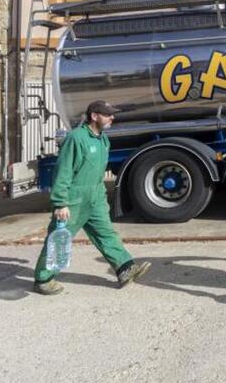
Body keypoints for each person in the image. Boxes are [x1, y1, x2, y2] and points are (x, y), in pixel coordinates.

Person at [32, 100, 151, 295]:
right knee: (59, 239)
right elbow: (63, 172)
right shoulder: (76, 138)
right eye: (107, 114)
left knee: (106, 233)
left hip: (95, 198)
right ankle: (43, 279)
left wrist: (101, 197)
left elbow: (97, 172)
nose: (112, 117)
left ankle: (125, 268)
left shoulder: (103, 139)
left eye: (112, 114)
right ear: (94, 116)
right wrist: (61, 203)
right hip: (74, 200)